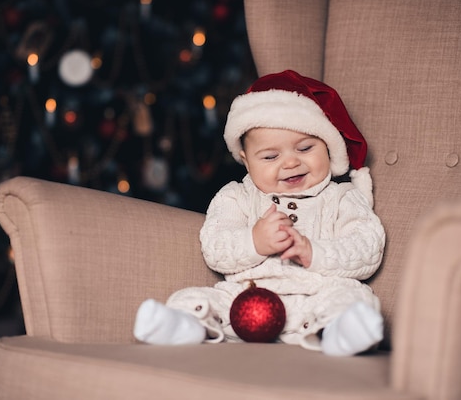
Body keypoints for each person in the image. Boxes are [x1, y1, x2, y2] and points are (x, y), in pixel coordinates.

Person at [134, 70, 385, 356]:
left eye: (305, 148)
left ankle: (340, 335)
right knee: (196, 298)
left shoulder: (342, 198)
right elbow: (215, 247)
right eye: (270, 156)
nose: (291, 162)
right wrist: (254, 242)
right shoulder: (236, 197)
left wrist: (313, 252)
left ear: (329, 146)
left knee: (354, 298)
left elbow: (367, 247)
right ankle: (183, 327)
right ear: (246, 160)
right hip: (246, 299)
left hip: (316, 296)